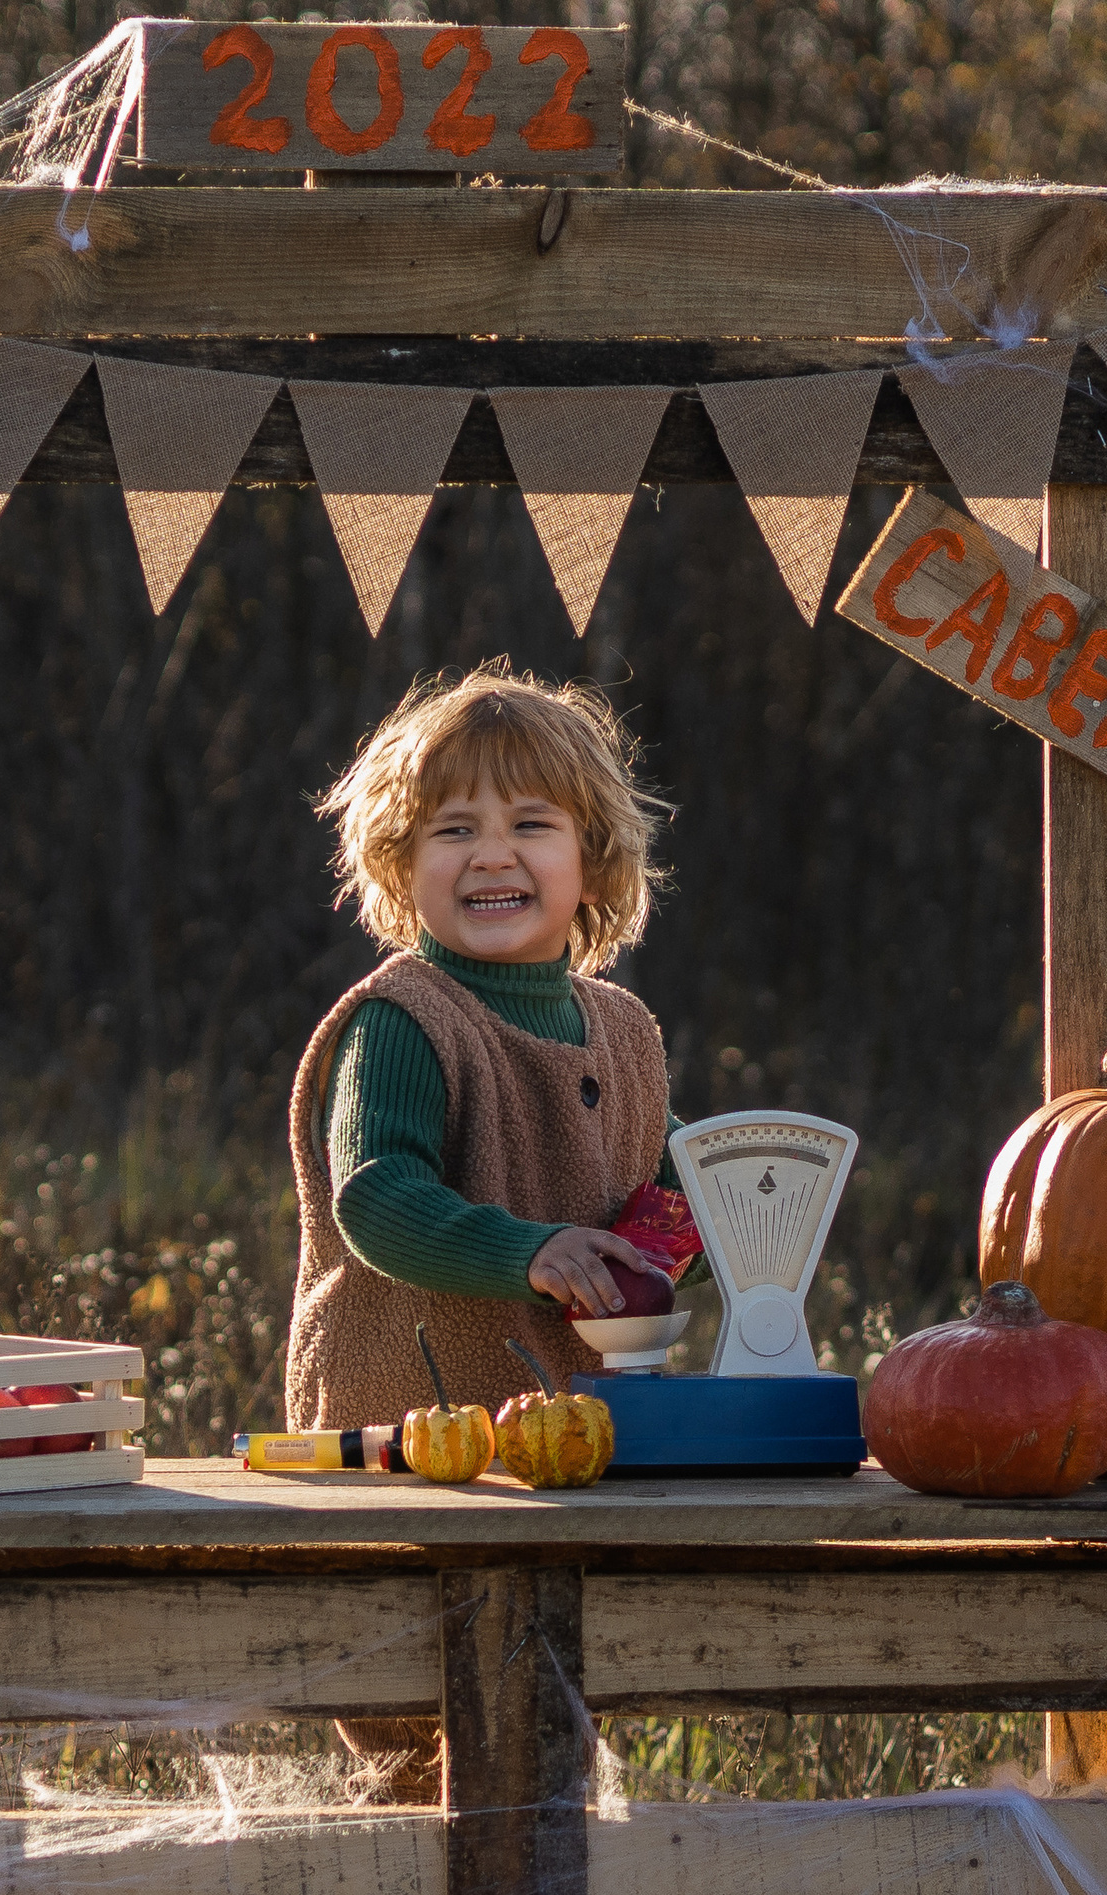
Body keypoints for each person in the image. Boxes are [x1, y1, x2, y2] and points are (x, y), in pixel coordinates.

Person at [286, 661, 684, 1802]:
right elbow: (376, 1196)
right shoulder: (405, 1020)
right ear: (401, 865)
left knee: (546, 1741)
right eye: (452, 827)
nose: (492, 852)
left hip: (569, 1451)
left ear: (592, 860)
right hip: (408, 1443)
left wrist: (690, 1235)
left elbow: (663, 1192)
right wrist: (530, 1250)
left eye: (530, 823)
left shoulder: (624, 1029)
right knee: (418, 1749)